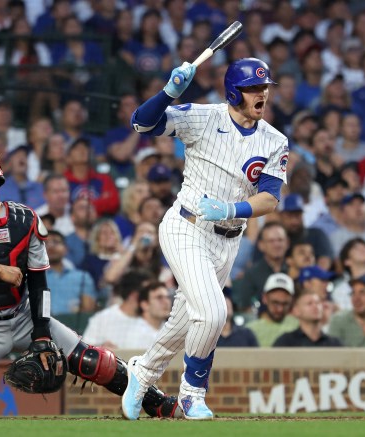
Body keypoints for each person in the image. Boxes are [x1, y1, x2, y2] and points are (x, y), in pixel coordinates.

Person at [0, 145, 181, 420]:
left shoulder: (26, 218)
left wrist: (42, 332)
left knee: (93, 361)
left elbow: (39, 281)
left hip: (22, 314)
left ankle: (157, 402)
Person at [121, 57, 288, 420]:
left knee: (186, 322)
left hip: (228, 239)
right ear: (233, 91)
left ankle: (143, 371)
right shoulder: (203, 117)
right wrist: (168, 92)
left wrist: (230, 210)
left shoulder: (275, 140)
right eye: (253, 89)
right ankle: (192, 393)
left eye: (265, 88)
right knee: (213, 313)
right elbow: (141, 123)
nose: (262, 94)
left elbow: (270, 198)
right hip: (186, 226)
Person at [246, 273, 299, 348]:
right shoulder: (250, 330)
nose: (280, 309)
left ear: (292, 301)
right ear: (264, 298)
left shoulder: (299, 325)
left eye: (285, 304)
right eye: (275, 303)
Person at [273, 291, 342, 347]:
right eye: (309, 303)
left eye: (318, 303)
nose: (315, 306)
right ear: (296, 311)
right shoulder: (286, 342)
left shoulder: (334, 344)